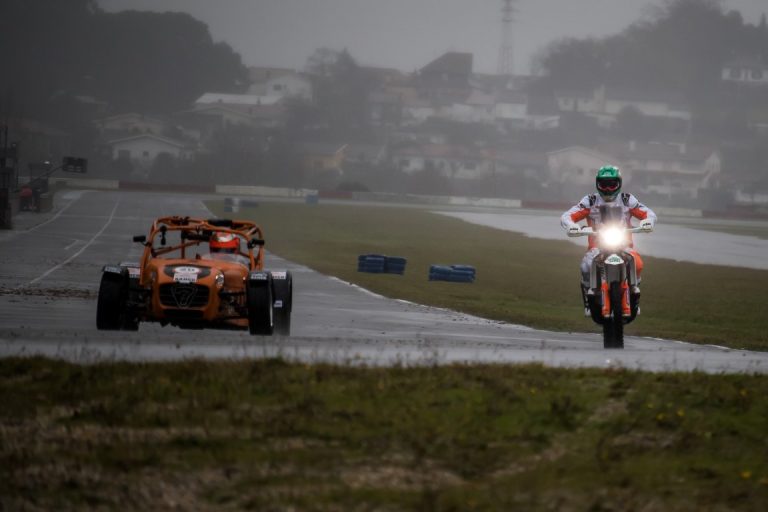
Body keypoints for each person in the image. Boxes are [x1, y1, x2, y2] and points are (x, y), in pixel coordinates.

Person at [560, 165, 656, 314]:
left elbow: (648, 213)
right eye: (604, 184)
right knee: (586, 266)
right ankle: (588, 300)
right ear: (597, 184)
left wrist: (647, 221)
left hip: (624, 245)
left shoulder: (626, 199)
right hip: (596, 247)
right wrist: (571, 226)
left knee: (637, 263)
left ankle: (634, 292)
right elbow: (567, 216)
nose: (608, 189)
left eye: (612, 184)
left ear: (619, 183)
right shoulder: (590, 200)